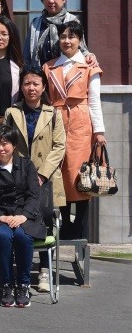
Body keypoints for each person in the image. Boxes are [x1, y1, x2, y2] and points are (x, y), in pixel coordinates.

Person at [3, 65, 66, 293]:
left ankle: (45, 271)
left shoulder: (54, 113)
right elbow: (5, 143)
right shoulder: (12, 112)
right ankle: (21, 271)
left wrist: (41, 174)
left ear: (43, 87)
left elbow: (59, 146)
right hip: (18, 179)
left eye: (36, 84)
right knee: (20, 223)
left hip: (45, 179)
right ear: (21, 86)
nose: (31, 88)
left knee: (46, 224)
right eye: (27, 83)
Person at [42, 21, 104, 242]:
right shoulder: (49, 67)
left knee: (79, 174)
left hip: (80, 122)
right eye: (63, 37)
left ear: (80, 40)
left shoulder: (89, 66)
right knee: (59, 173)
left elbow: (94, 101)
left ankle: (79, 228)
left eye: (72, 36)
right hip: (56, 121)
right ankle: (65, 226)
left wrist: (99, 131)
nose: (67, 41)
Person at [0, 124, 45, 308]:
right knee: (3, 235)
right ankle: (7, 285)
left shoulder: (27, 165)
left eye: (5, 143)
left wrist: (24, 216)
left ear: (14, 145)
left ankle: (23, 285)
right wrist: (0, 216)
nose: (0, 148)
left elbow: (34, 194)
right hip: (0, 217)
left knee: (23, 236)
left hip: (26, 216)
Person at [27, 0, 88, 66]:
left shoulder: (73, 21)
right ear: (42, 0)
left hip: (67, 70)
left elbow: (82, 49)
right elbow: (27, 54)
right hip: (40, 72)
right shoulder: (35, 23)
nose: (51, 1)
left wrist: (90, 56)